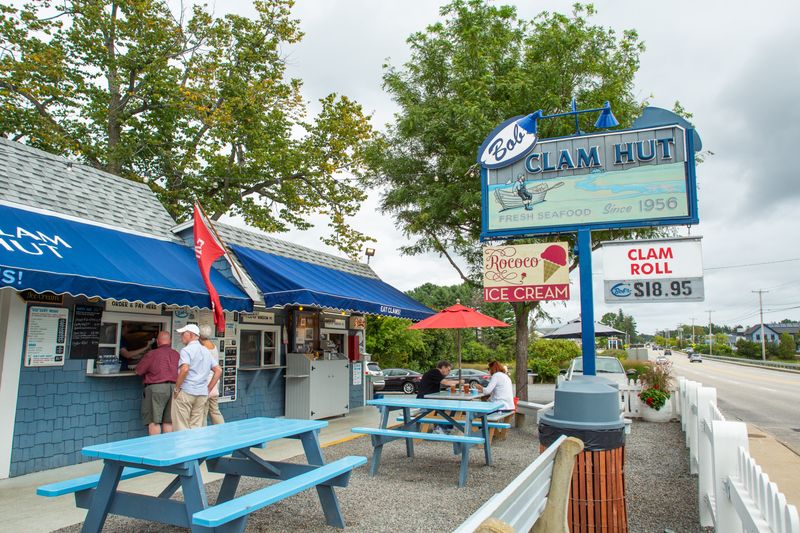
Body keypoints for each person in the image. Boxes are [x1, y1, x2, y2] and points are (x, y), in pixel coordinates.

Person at [172, 324, 221, 430]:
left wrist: (177, 388)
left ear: (191, 335)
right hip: (202, 393)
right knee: (197, 426)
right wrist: (208, 389)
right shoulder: (206, 351)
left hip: (187, 391)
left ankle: (184, 442)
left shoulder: (186, 350)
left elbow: (185, 369)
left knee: (181, 425)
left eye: (183, 334)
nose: (181, 336)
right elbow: (218, 370)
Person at [135, 331, 180, 435]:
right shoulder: (176, 354)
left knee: (154, 421)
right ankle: (167, 444)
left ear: (158, 341)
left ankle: (156, 445)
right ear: (170, 341)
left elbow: (138, 371)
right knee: (168, 421)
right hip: (174, 388)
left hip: (156, 389)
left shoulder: (152, 354)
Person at [199, 330, 224, 425]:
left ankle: (202, 432)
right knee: (215, 410)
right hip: (214, 382)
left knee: (203, 411)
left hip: (206, 383)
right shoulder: (214, 346)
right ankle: (222, 429)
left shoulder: (202, 348)